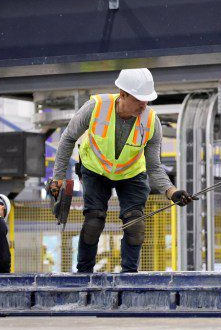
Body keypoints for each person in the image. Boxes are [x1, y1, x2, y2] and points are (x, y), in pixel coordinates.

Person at [50, 68, 197, 273]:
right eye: (139, 99)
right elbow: (67, 139)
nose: (144, 105)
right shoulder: (95, 107)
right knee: (94, 221)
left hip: (131, 174)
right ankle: (83, 276)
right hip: (94, 170)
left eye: (147, 100)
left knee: (135, 224)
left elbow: (154, 166)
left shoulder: (151, 121)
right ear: (123, 94)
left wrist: (172, 192)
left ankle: (129, 277)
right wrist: (57, 178)